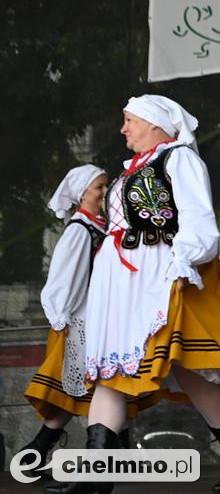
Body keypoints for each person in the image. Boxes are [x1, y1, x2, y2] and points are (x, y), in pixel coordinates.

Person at [54, 95, 220, 494]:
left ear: (154, 123)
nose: (123, 129)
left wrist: (183, 262)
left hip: (162, 271)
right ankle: (98, 473)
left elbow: (198, 220)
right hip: (121, 280)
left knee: (191, 368)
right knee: (111, 373)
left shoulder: (178, 159)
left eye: (129, 121)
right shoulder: (128, 172)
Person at [20, 165, 108, 476]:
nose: (104, 192)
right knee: (85, 392)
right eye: (99, 187)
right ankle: (99, 461)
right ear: (82, 192)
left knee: (89, 394)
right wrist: (60, 317)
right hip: (80, 322)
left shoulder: (99, 227)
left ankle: (36, 454)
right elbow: (62, 278)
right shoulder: (79, 230)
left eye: (105, 185)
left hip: (98, 321)